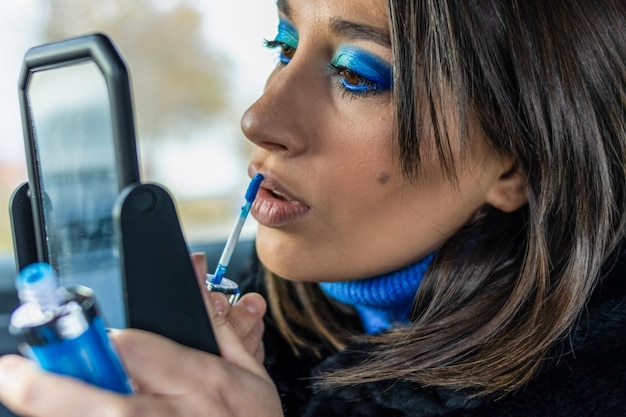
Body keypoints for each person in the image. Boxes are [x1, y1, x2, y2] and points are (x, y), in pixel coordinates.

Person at [1, 0, 626, 415]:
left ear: (515, 162)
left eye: (356, 74)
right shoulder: (256, 321)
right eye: (283, 46)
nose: (259, 118)